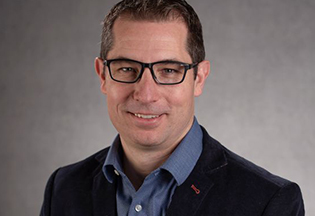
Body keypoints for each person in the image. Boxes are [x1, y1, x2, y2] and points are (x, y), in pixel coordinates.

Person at [40, 0, 305, 215]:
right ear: (102, 76)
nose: (145, 94)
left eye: (168, 70)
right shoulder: (64, 189)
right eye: (127, 68)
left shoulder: (269, 202)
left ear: (198, 78)